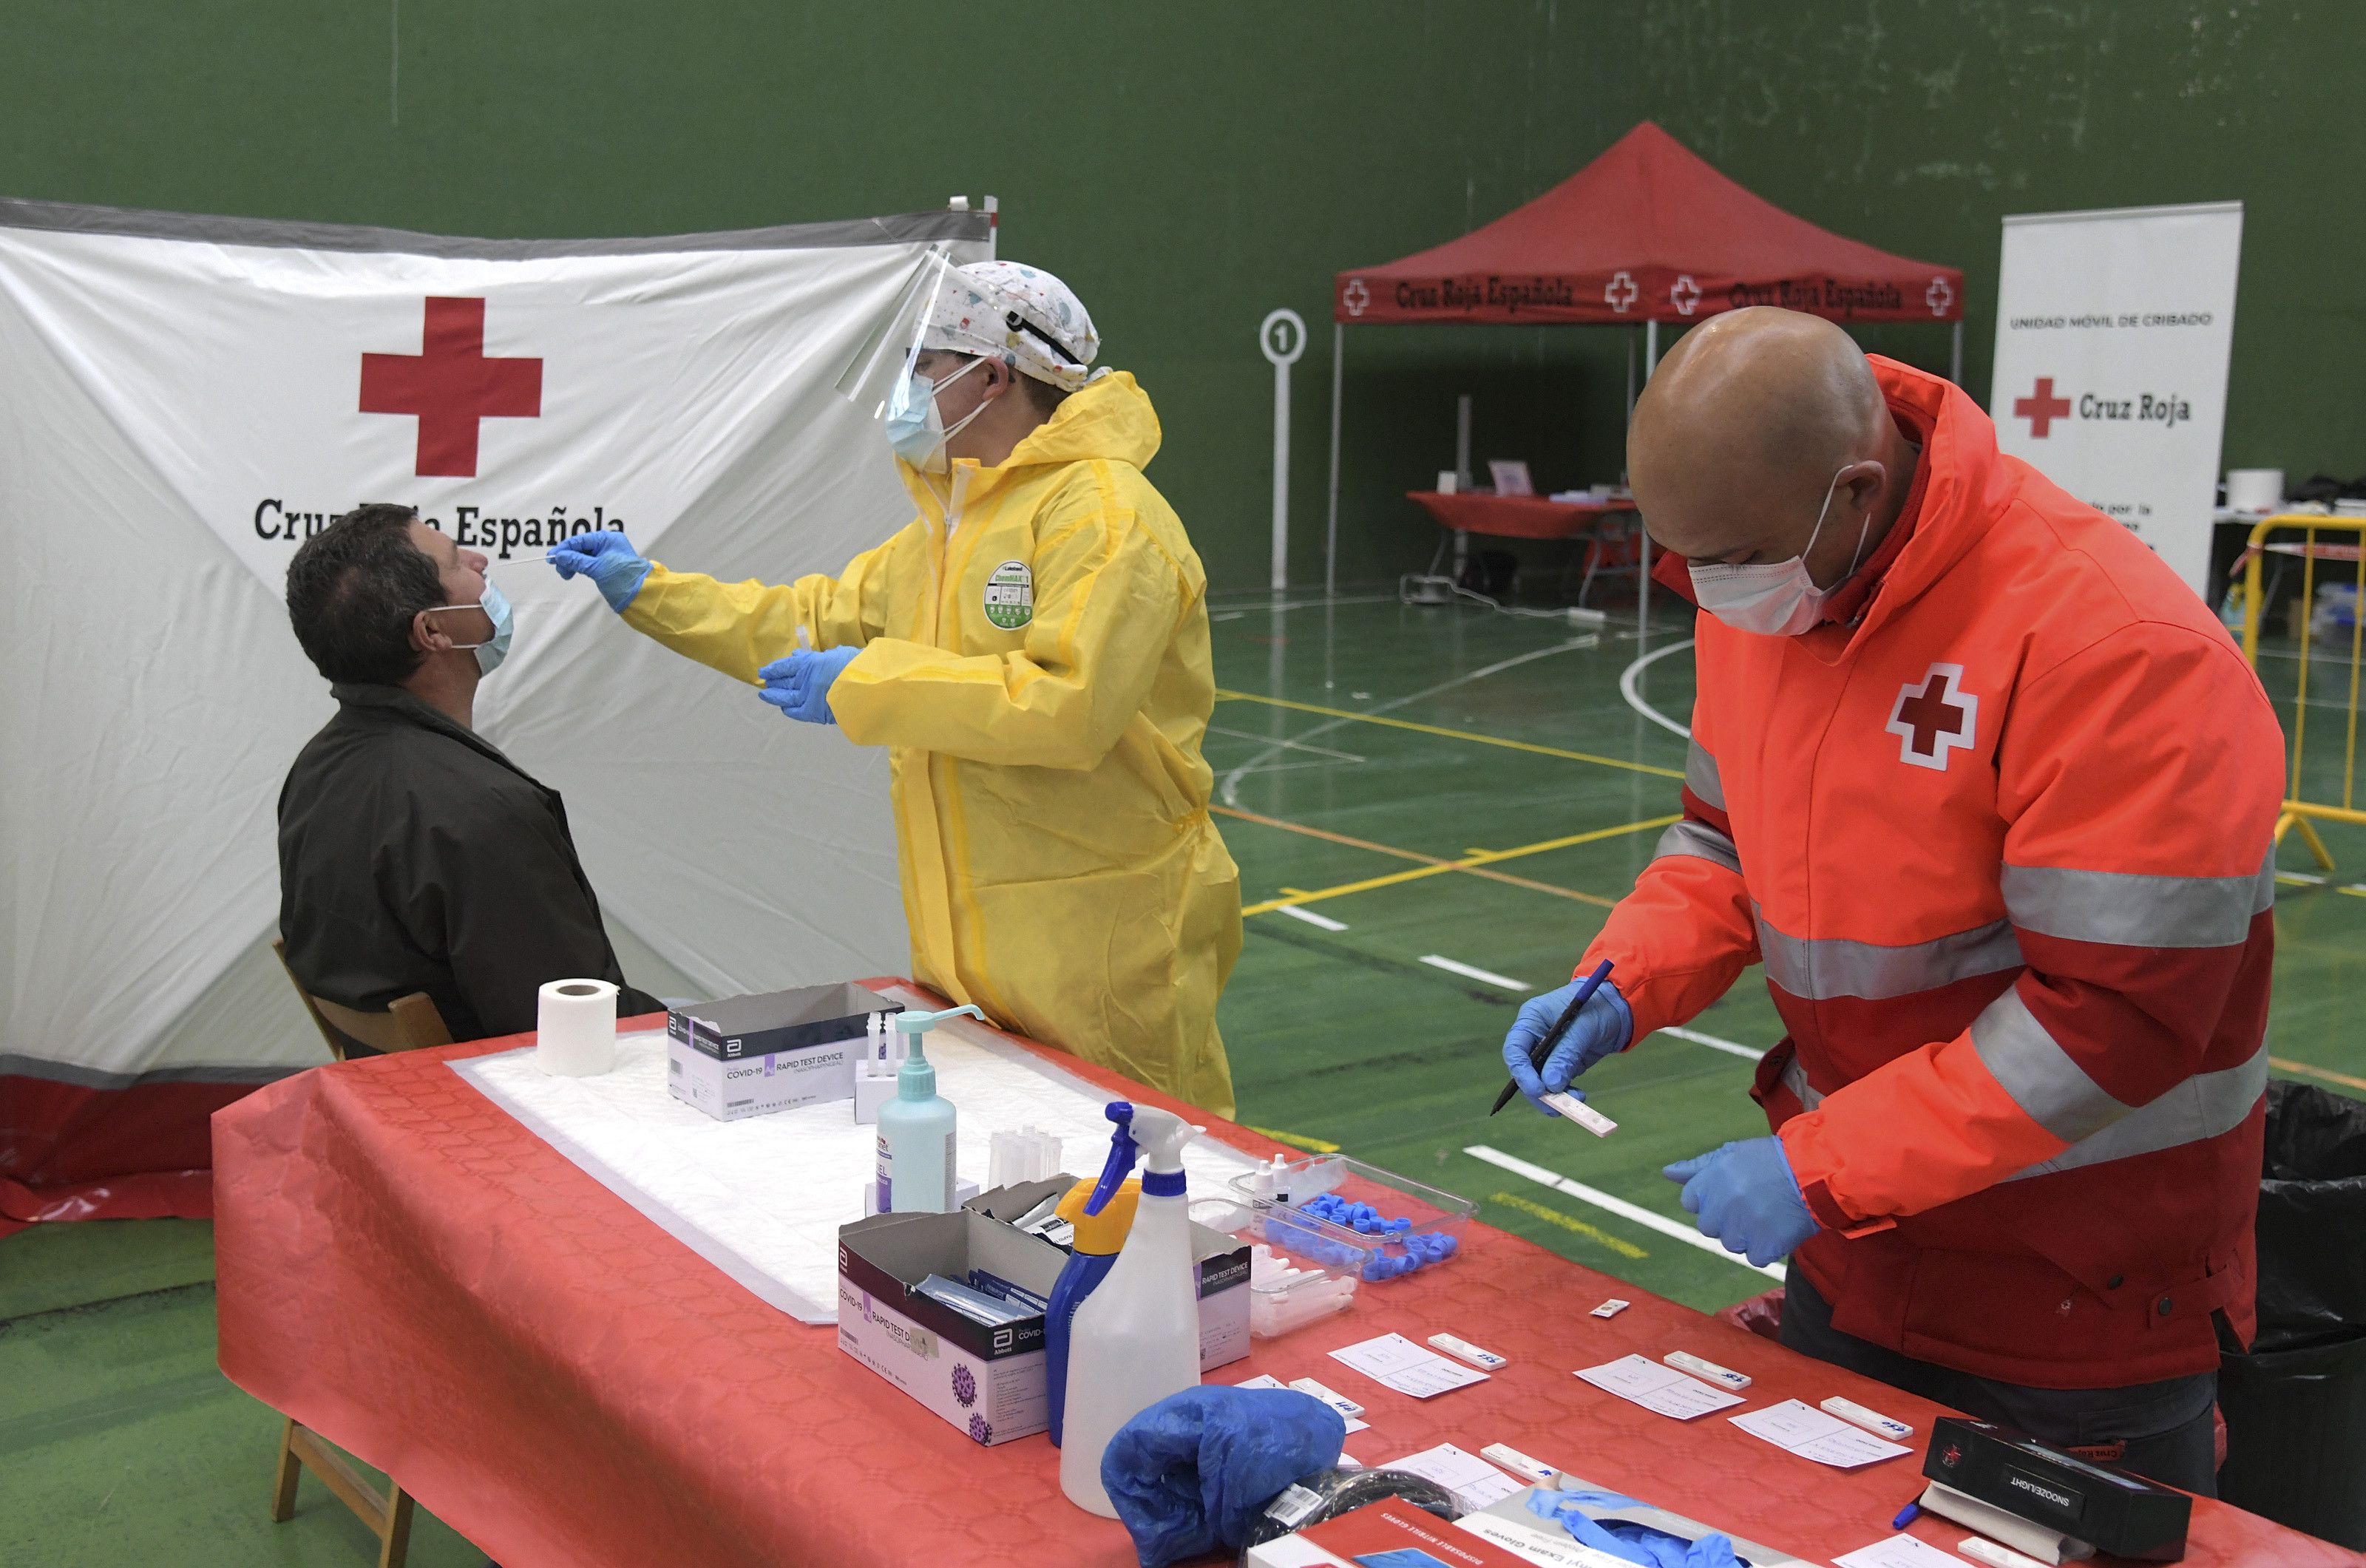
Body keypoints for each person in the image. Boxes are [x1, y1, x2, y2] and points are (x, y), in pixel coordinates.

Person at [1503, 308, 2282, 1491]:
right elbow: (1720, 845)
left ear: (1856, 490)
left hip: (2074, 1307)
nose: (1710, 591)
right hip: (1860, 1264)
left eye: (1732, 557)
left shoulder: (2113, 651)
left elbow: (2110, 1020)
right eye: (1684, 558)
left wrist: (1819, 1171)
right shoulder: (1772, 593)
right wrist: (1619, 986)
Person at [550, 261, 1241, 1115]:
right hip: (972, 946)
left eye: (925, 366)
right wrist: (649, 590)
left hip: (1101, 941)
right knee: (1010, 1179)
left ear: (993, 374)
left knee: (1140, 1177)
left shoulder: (1102, 516)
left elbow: (1066, 707)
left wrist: (868, 684)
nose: (908, 391)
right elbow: (806, 619)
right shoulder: (946, 531)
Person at [279, 503, 662, 1053]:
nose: (482, 561)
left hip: (398, 1103)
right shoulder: (481, 812)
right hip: (517, 1106)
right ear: (432, 630)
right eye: (457, 561)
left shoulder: (314, 771)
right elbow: (582, 1030)